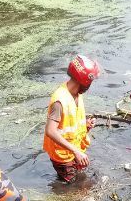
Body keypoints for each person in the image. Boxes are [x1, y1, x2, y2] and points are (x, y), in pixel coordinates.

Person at [43, 55, 100, 183]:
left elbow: (69, 122)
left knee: (80, 180)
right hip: (62, 156)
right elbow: (50, 131)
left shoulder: (77, 94)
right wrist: (76, 152)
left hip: (73, 150)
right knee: (74, 186)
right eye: (91, 81)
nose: (90, 85)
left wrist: (85, 125)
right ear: (84, 80)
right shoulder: (59, 100)